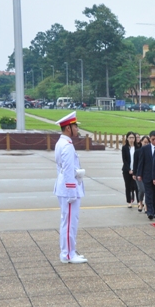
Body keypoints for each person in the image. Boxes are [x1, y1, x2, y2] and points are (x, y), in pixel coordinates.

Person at [54, 112, 87, 264]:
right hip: (69, 189)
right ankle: (68, 254)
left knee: (68, 222)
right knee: (69, 223)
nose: (77, 129)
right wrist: (71, 191)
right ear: (68, 128)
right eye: (75, 126)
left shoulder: (62, 143)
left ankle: (69, 252)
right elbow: (67, 170)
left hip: (65, 187)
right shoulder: (66, 146)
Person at [136, 130, 155, 219]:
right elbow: (141, 162)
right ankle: (149, 211)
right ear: (150, 139)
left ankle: (153, 211)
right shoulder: (145, 148)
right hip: (147, 175)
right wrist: (139, 174)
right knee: (148, 194)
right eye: (153, 139)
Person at [121, 131, 138, 208]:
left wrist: (134, 170)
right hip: (127, 170)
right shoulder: (124, 148)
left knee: (136, 186)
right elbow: (124, 160)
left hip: (135, 170)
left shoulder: (137, 148)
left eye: (133, 137)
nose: (131, 139)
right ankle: (129, 201)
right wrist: (129, 169)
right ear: (127, 138)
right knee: (128, 186)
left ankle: (138, 201)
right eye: (130, 137)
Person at [133, 135, 149, 212]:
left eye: (147, 142)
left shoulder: (150, 152)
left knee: (147, 190)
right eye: (144, 142)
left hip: (147, 174)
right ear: (141, 142)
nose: (146, 144)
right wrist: (134, 174)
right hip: (139, 174)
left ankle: (146, 205)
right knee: (141, 190)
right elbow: (135, 164)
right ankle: (140, 202)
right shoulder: (137, 152)